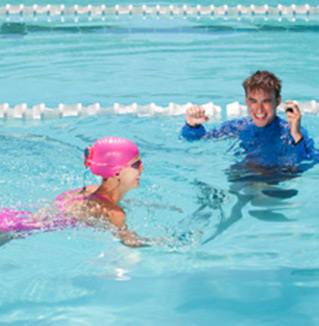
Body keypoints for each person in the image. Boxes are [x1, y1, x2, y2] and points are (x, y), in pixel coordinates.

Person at [1, 137, 148, 248]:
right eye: (136, 164)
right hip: (10, 229)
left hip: (10, 216)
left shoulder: (88, 190)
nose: (142, 169)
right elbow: (130, 242)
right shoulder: (114, 213)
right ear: (116, 172)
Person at [181, 70, 318, 167]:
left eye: (266, 101)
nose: (259, 109)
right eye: (253, 101)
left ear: (278, 101)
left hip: (277, 181)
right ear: (246, 100)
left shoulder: (291, 131)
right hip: (244, 178)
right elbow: (198, 140)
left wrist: (296, 134)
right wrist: (192, 126)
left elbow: (308, 161)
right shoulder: (239, 127)